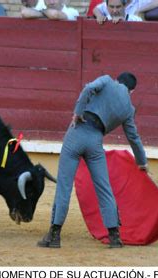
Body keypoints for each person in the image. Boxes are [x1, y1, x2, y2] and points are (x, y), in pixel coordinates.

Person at [37, 72, 148, 249]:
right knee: (104, 188)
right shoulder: (128, 109)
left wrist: (77, 113)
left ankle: (54, 235)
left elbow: (88, 88)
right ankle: (114, 236)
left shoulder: (106, 81)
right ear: (131, 91)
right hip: (95, 142)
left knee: (64, 186)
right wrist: (142, 162)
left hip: (77, 133)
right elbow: (133, 137)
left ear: (117, 80)